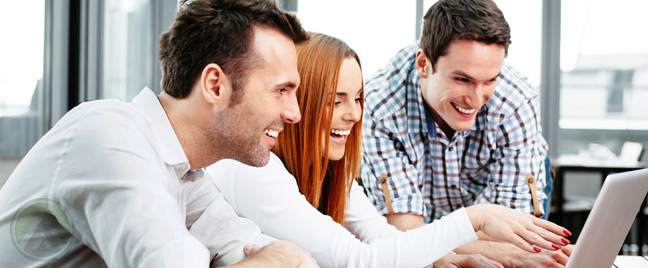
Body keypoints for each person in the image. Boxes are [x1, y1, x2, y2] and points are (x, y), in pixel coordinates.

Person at [206, 32, 571, 268]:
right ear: (298, 102)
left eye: (359, 98)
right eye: (337, 101)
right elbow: (361, 260)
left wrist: (445, 259)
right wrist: (473, 218)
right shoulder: (255, 170)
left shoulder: (328, 169)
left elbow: (385, 238)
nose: (355, 114)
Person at [0, 0, 318, 267]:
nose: (295, 113)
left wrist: (280, 256)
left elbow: (254, 248)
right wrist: (269, 261)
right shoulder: (108, 133)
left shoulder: (185, 173)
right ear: (215, 86)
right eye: (280, 90)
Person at [360, 0, 572, 266]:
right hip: (425, 206)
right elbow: (404, 232)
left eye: (490, 80)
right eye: (463, 79)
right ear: (424, 64)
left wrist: (433, 243)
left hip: (492, 196)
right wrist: (515, 255)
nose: (476, 98)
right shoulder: (379, 106)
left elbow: (508, 231)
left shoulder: (516, 99)